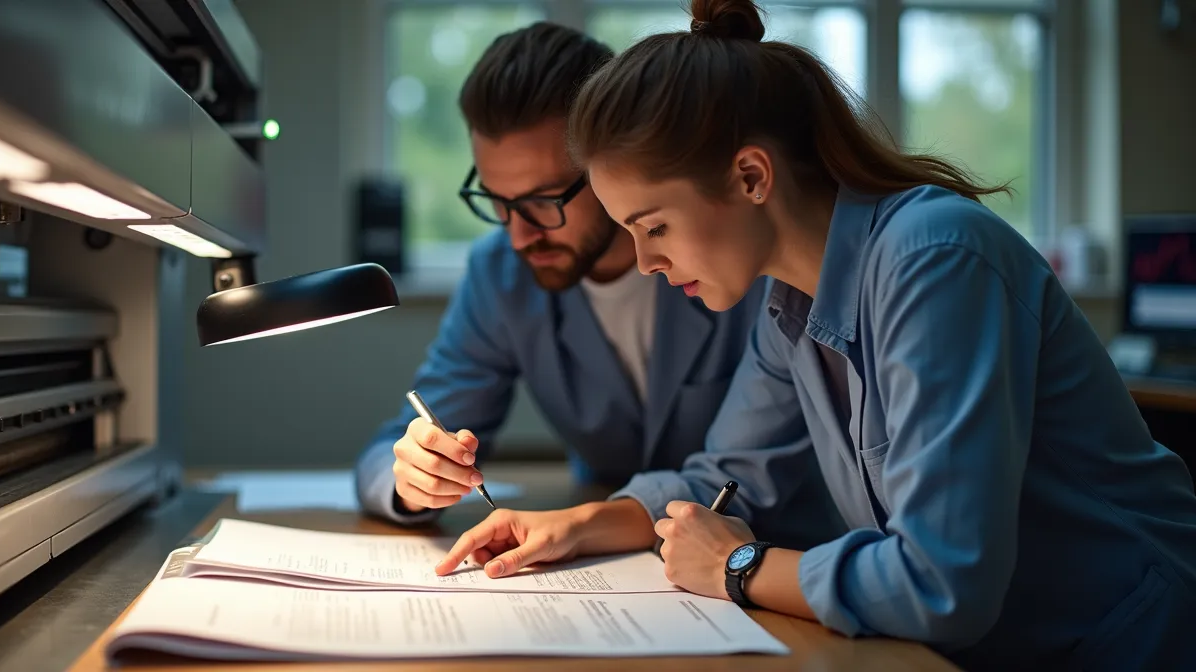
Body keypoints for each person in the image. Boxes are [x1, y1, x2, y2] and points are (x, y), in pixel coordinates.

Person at [433, 0, 1196, 668]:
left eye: (655, 226)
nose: (644, 262)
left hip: (1124, 643)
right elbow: (724, 479)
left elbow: (942, 583)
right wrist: (574, 526)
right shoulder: (789, 304)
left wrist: (739, 565)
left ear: (752, 177)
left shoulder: (934, 260)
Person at [354, 22, 826, 535]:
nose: (519, 237)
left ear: (608, 164)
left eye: (544, 201)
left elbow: (741, 476)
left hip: (775, 557)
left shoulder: (743, 253)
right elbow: (390, 451)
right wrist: (412, 476)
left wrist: (583, 526)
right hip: (608, 559)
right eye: (497, 202)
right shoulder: (502, 274)